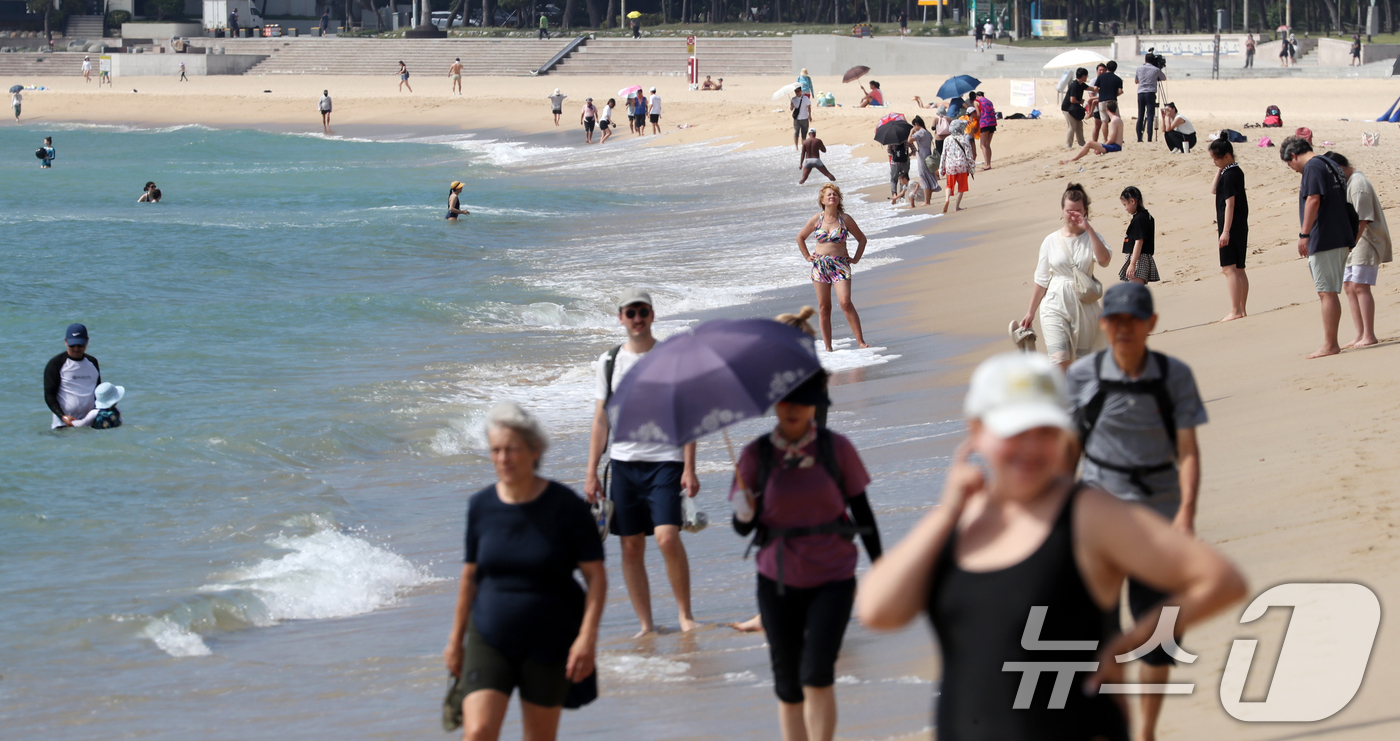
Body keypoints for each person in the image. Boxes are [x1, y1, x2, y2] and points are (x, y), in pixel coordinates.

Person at [855, 351, 1246, 741]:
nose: (1031, 447)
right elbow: (878, 611)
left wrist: (1128, 643)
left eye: (1045, 431)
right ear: (976, 430)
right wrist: (946, 514)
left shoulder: (1089, 514)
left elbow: (1220, 579)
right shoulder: (959, 521)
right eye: (1015, 432)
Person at [1065, 282, 1210, 741]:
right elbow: (1070, 451)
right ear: (1104, 324)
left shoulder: (1175, 376)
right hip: (1100, 526)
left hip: (1158, 523)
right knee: (1104, 638)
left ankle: (1145, 731)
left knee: (1158, 639)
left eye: (1133, 320)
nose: (1123, 328)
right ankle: (1121, 728)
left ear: (1151, 324)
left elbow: (1188, 451)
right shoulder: (1082, 377)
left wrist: (1186, 513)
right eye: (1115, 320)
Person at [730, 371, 882, 741]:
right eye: (785, 400)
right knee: (788, 682)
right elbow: (743, 530)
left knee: (816, 673)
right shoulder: (755, 456)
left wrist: (882, 569)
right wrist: (744, 510)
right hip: (777, 581)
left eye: (802, 399)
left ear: (816, 403)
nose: (793, 407)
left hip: (833, 578)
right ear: (774, 404)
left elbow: (863, 513)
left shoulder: (836, 449)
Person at [444, 403, 606, 741]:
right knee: (477, 732)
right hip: (489, 634)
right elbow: (469, 577)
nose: (503, 458)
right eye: (496, 450)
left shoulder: (567, 508)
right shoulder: (481, 507)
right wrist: (455, 640)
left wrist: (586, 639)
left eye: (512, 449)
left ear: (534, 451)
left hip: (550, 637)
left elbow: (596, 577)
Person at [583, 290, 701, 636]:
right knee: (631, 545)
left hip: (666, 461)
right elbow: (600, 420)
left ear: (652, 315)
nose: (637, 318)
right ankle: (646, 625)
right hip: (622, 464)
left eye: (643, 311)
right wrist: (590, 471)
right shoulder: (608, 362)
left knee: (666, 537)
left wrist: (690, 467)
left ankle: (685, 616)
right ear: (620, 318)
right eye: (630, 312)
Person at [1020, 183, 1112, 370]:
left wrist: (1089, 230)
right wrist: (1030, 311)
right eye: (1069, 211)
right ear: (1062, 210)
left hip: (1084, 305)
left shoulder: (1092, 237)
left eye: (1078, 211)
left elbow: (1104, 260)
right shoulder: (1050, 241)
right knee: (1060, 359)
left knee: (1081, 364)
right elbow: (1042, 278)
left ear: (1085, 211)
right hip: (1054, 303)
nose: (1073, 215)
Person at [1282, 135, 1355, 358]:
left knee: (1327, 292)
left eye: (1290, 164)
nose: (1294, 170)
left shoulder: (1313, 166)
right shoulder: (1330, 163)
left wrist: (1304, 234)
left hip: (1325, 237)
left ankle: (1330, 343)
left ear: (1293, 155)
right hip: (1340, 234)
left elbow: (1313, 199)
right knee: (1329, 291)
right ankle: (1331, 342)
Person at [1325, 151, 1392, 348]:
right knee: (1348, 286)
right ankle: (1359, 333)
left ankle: (1369, 334)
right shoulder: (1348, 183)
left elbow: (1363, 219)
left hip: (1366, 241)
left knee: (1360, 287)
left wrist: (1351, 244)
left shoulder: (1358, 185)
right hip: (1352, 241)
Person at [796, 184, 870, 352]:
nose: (832, 196)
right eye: (829, 194)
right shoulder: (817, 219)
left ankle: (860, 342)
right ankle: (828, 347)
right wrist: (808, 256)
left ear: (839, 200)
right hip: (820, 266)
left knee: (845, 303)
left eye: (835, 194)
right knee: (824, 307)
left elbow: (862, 239)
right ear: (822, 200)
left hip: (840, 266)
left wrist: (856, 259)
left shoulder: (845, 219)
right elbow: (800, 237)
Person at [1210, 138, 1250, 322]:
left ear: (1226, 156)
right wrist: (1220, 169)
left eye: (1216, 159)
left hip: (1231, 226)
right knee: (1239, 268)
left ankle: (1236, 310)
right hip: (1239, 225)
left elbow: (1230, 204)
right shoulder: (1232, 171)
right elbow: (1213, 190)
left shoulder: (1231, 174)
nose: (1214, 162)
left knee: (1229, 268)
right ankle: (1241, 309)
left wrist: (1225, 231)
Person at [45, 323, 102, 429]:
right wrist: (63, 416)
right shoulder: (56, 364)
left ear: (87, 341)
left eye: (80, 345)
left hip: (88, 424)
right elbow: (49, 395)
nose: (76, 349)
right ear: (66, 341)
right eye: (72, 345)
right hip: (63, 425)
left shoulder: (92, 362)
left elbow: (99, 392)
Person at [1118, 186, 1158, 285]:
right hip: (1141, 258)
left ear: (1132, 201)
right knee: (1136, 293)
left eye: (1125, 205)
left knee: (1134, 293)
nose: (1126, 209)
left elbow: (1139, 241)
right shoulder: (1147, 216)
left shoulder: (1140, 219)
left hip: (1139, 258)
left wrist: (1132, 264)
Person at [939, 118, 975, 213]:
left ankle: (947, 199)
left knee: (949, 185)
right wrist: (972, 168)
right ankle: (957, 207)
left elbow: (943, 154)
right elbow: (969, 155)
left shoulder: (947, 139)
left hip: (950, 165)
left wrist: (941, 168)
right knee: (961, 187)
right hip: (962, 165)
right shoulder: (964, 139)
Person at [1134, 54, 1166, 143]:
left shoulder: (1139, 68)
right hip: (1150, 93)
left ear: (1145, 60)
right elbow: (1164, 78)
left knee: (1140, 115)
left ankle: (1139, 138)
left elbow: (1136, 81)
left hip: (1140, 93)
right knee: (1150, 115)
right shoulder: (1156, 69)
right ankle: (1149, 138)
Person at [907, 116, 939, 206]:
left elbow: (909, 140)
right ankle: (928, 200)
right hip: (928, 154)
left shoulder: (921, 132)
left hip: (922, 156)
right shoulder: (927, 132)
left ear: (916, 124)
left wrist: (911, 132)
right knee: (928, 176)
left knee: (924, 176)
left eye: (914, 126)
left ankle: (927, 201)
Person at [1062, 67, 1089, 150]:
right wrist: (1080, 101)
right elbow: (1072, 100)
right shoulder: (1074, 85)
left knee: (1079, 125)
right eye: (1086, 76)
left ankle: (1082, 143)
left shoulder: (1081, 84)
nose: (1087, 77)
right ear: (1083, 76)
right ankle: (1068, 145)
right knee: (1072, 126)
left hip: (1075, 108)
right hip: (1067, 108)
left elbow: (1091, 89)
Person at [1092, 61, 1123, 130]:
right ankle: (1116, 137)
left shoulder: (1100, 77)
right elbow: (1120, 91)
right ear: (1115, 68)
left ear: (1107, 68)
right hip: (1112, 100)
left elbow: (1095, 88)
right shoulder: (1118, 79)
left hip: (1102, 100)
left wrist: (1100, 92)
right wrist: (1114, 94)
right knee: (1115, 118)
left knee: (1104, 121)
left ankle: (1105, 139)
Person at [973, 91, 996, 170]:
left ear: (977, 96)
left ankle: (987, 164)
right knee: (987, 145)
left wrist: (977, 123)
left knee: (982, 145)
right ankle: (988, 163)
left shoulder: (977, 101)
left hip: (984, 123)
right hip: (992, 123)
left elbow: (979, 114)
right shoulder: (989, 101)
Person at [1086, 64, 1106, 142]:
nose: (1102, 71)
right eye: (1100, 70)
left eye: (1103, 70)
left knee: (1106, 123)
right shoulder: (1094, 81)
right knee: (1097, 125)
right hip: (1097, 105)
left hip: (1105, 103)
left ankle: (1106, 140)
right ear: (1097, 71)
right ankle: (1094, 142)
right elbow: (1091, 94)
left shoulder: (1107, 80)